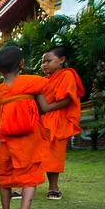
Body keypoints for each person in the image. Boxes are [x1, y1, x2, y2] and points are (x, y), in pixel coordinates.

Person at [0, 46, 48, 209]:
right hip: (29, 140)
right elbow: (44, 108)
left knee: (5, 176)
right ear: (21, 63)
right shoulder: (35, 83)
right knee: (30, 178)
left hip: (6, 142)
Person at [35, 46, 85, 200]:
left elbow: (69, 98)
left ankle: (53, 188)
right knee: (34, 154)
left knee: (54, 155)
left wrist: (48, 108)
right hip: (41, 121)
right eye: (43, 62)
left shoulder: (67, 75)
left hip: (57, 121)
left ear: (62, 60)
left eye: (49, 61)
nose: (44, 65)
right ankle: (27, 187)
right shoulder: (43, 81)